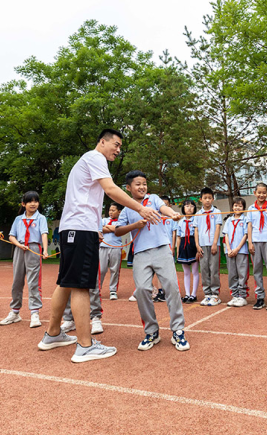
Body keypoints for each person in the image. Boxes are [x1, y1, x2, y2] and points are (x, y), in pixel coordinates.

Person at [37, 129, 162, 363]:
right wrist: (140, 208)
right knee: (81, 286)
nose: (118, 149)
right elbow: (111, 189)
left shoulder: (86, 160)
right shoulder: (95, 158)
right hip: (80, 229)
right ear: (102, 142)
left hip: (74, 229)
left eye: (120, 146)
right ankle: (85, 346)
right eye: (115, 144)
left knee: (66, 282)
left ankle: (53, 334)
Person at [114, 170, 189, 351]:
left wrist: (173, 214)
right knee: (141, 290)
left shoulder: (153, 198)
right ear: (128, 188)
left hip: (162, 249)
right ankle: (152, 332)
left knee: (171, 287)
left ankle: (178, 331)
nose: (142, 187)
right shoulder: (126, 208)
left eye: (144, 184)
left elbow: (165, 209)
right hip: (140, 254)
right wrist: (135, 225)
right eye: (138, 184)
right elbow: (118, 230)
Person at [0, 191, 49, 328]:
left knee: (33, 282)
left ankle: (34, 313)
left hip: (33, 250)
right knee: (17, 281)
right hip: (19, 249)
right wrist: (19, 245)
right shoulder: (18, 219)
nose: (33, 204)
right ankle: (15, 312)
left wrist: (44, 250)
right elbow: (11, 236)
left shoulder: (41, 218)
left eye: (36, 201)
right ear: (23, 204)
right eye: (30, 201)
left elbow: (44, 234)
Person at [247, 182, 267, 310]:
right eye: (259, 192)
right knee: (257, 270)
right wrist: (249, 242)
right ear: (255, 193)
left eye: (264, 192)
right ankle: (260, 297)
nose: (261, 195)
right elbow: (249, 226)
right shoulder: (250, 208)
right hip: (255, 241)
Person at [194, 187, 223, 306]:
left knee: (213, 269)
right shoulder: (197, 214)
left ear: (213, 199)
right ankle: (207, 294)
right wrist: (197, 245)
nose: (207, 200)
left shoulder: (217, 212)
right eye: (205, 198)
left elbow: (217, 228)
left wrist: (215, 243)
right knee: (204, 269)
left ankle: (215, 294)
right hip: (202, 245)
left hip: (213, 245)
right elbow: (196, 230)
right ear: (201, 199)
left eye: (209, 198)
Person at [223, 197, 250, 307]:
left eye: (240, 206)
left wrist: (237, 248)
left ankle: (242, 296)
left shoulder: (245, 219)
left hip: (241, 250)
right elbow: (226, 235)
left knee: (242, 273)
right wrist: (229, 249)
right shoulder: (229, 220)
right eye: (235, 205)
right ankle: (234, 295)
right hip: (229, 251)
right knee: (232, 274)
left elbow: (245, 235)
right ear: (232, 207)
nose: (237, 207)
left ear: (243, 208)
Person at [176, 200, 199, 303]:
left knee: (194, 271)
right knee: (186, 272)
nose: (189, 208)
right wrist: (177, 250)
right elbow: (179, 237)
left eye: (191, 206)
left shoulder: (196, 220)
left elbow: (197, 235)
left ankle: (193, 294)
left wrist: (198, 248)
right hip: (183, 245)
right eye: (187, 206)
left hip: (193, 243)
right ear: (183, 209)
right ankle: (187, 294)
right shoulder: (180, 222)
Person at [100, 202, 124, 301]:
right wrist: (112, 228)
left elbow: (119, 229)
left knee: (115, 270)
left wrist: (109, 228)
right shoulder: (104, 220)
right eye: (110, 210)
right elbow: (100, 229)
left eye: (113, 210)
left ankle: (113, 290)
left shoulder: (122, 221)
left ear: (119, 212)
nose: (111, 212)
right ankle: (97, 289)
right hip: (103, 247)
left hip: (116, 247)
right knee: (101, 269)